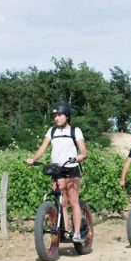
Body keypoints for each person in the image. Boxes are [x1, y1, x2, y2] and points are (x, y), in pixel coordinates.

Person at [26, 103, 88, 242]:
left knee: (73, 200)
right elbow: (42, 148)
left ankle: (77, 233)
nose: (56, 118)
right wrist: (33, 159)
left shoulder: (75, 131)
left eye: (59, 115)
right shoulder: (52, 131)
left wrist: (81, 155)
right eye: (55, 115)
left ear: (67, 116)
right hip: (57, 169)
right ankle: (65, 232)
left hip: (72, 168)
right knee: (62, 202)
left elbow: (83, 149)